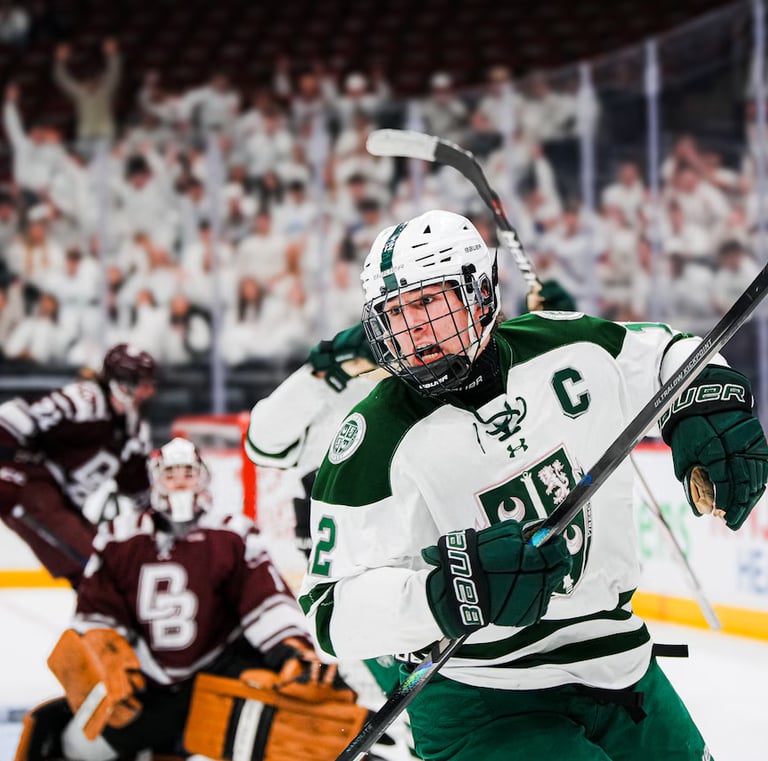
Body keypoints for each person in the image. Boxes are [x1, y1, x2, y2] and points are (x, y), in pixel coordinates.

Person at [298, 209, 768, 760]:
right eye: (395, 312)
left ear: (479, 294)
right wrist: (446, 591)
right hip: (477, 691)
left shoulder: (568, 346)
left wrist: (706, 401)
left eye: (427, 302)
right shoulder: (370, 441)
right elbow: (329, 613)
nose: (412, 328)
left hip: (618, 661)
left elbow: (671, 355)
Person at [14, 437, 370, 761]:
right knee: (76, 747)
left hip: (220, 673)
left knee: (290, 732)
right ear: (155, 481)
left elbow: (264, 601)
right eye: (171, 475)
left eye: (188, 473)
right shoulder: (119, 538)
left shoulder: (233, 534)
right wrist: (103, 651)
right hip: (143, 682)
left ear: (203, 479)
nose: (180, 482)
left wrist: (289, 649)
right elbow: (97, 610)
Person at [0, 343, 156, 587]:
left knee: (107, 565)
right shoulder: (85, 400)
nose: (146, 391)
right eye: (140, 383)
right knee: (94, 570)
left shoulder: (134, 429)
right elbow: (10, 417)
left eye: (148, 384)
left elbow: (137, 485)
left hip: (65, 501)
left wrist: (162, 522)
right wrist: (6, 473)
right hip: (32, 487)